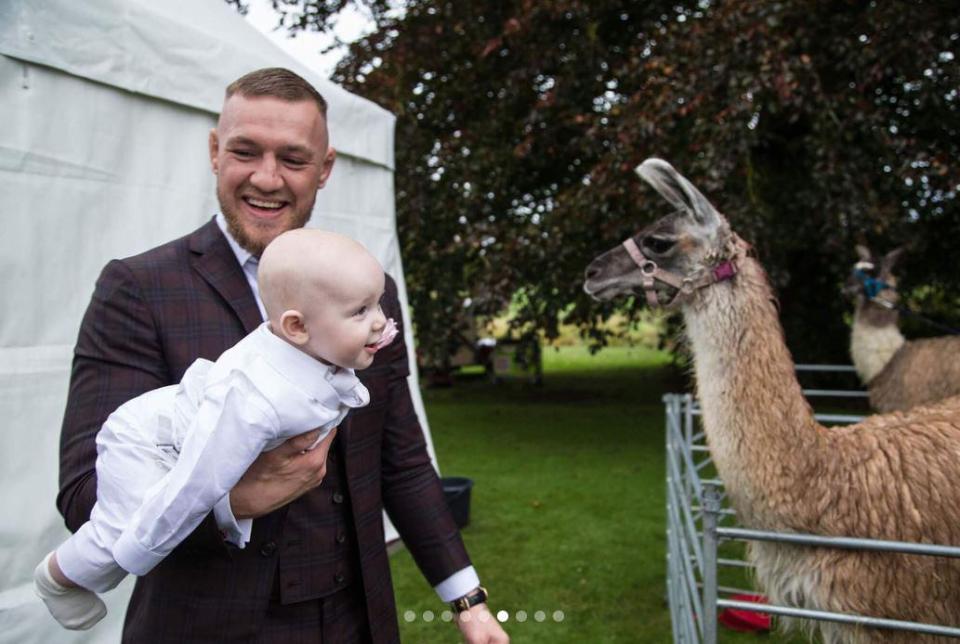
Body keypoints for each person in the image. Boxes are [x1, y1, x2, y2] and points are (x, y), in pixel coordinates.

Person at [56, 67, 509, 643]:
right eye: (246, 151)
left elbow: (401, 458)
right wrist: (231, 502)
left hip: (357, 619)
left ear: (325, 170)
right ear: (216, 152)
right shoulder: (139, 288)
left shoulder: (370, 293)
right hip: (206, 626)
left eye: (293, 160)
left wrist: (466, 597)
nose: (266, 179)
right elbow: (86, 491)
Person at [37, 229, 397, 630]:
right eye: (361, 311)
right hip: (147, 442)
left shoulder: (310, 342)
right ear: (296, 327)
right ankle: (57, 577)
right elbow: (196, 483)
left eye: (377, 304)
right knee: (119, 530)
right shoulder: (254, 402)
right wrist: (140, 552)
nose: (381, 320)